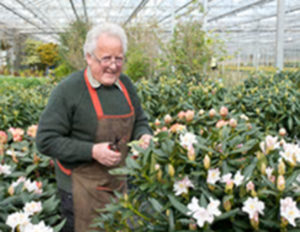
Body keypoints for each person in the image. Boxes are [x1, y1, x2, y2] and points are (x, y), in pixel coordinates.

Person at [36, 23, 152, 232]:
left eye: (119, 59)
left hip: (120, 187)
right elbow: (46, 140)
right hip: (81, 191)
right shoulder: (68, 90)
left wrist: (144, 135)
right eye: (106, 58)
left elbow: (140, 121)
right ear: (89, 57)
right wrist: (92, 151)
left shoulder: (125, 85)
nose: (113, 66)